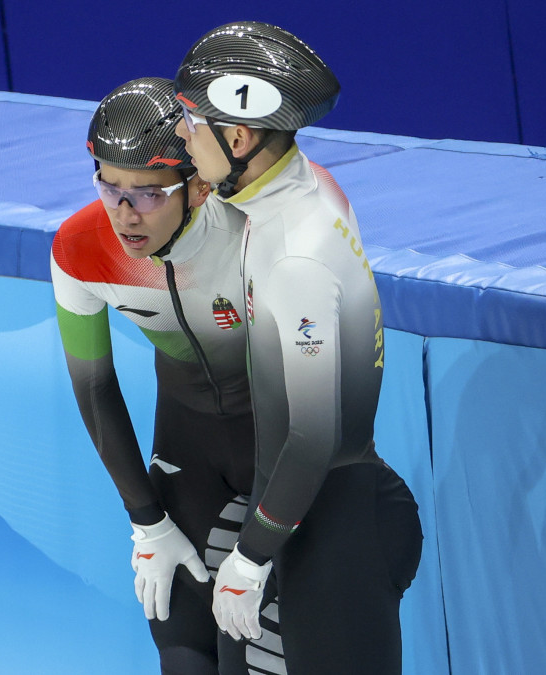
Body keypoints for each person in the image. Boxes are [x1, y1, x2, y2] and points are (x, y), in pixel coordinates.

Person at [173, 22, 424, 673]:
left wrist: (251, 556)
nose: (180, 134)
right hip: (297, 512)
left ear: (239, 136)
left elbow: (312, 436)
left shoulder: (299, 258)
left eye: (190, 120)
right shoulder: (291, 189)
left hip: (334, 529)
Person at [50, 77, 276, 674]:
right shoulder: (81, 247)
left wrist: (268, 541)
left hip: (283, 453)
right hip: (187, 453)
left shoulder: (256, 231)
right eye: (109, 187)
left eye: (147, 194)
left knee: (245, 659)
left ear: (198, 185)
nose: (125, 213)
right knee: (183, 652)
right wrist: (146, 522)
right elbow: (94, 384)